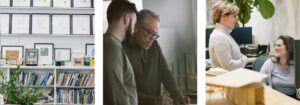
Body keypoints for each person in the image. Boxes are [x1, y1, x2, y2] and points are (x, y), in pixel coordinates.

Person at [123, 9, 190, 105]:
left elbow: (166, 73)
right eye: (150, 33)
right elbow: (124, 91)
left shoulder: (154, 45)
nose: (152, 39)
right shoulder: (122, 50)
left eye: (155, 35)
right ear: (136, 27)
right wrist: (152, 100)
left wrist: (177, 94)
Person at [103, 0, 138, 105]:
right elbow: (117, 96)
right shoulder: (112, 46)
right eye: (134, 24)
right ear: (126, 19)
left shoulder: (112, 44)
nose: (134, 30)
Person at [209, 1, 248, 71]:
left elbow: (237, 55)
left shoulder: (225, 35)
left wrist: (242, 58)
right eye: (234, 16)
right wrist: (244, 60)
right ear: (224, 16)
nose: (236, 19)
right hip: (227, 80)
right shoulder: (219, 37)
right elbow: (229, 66)